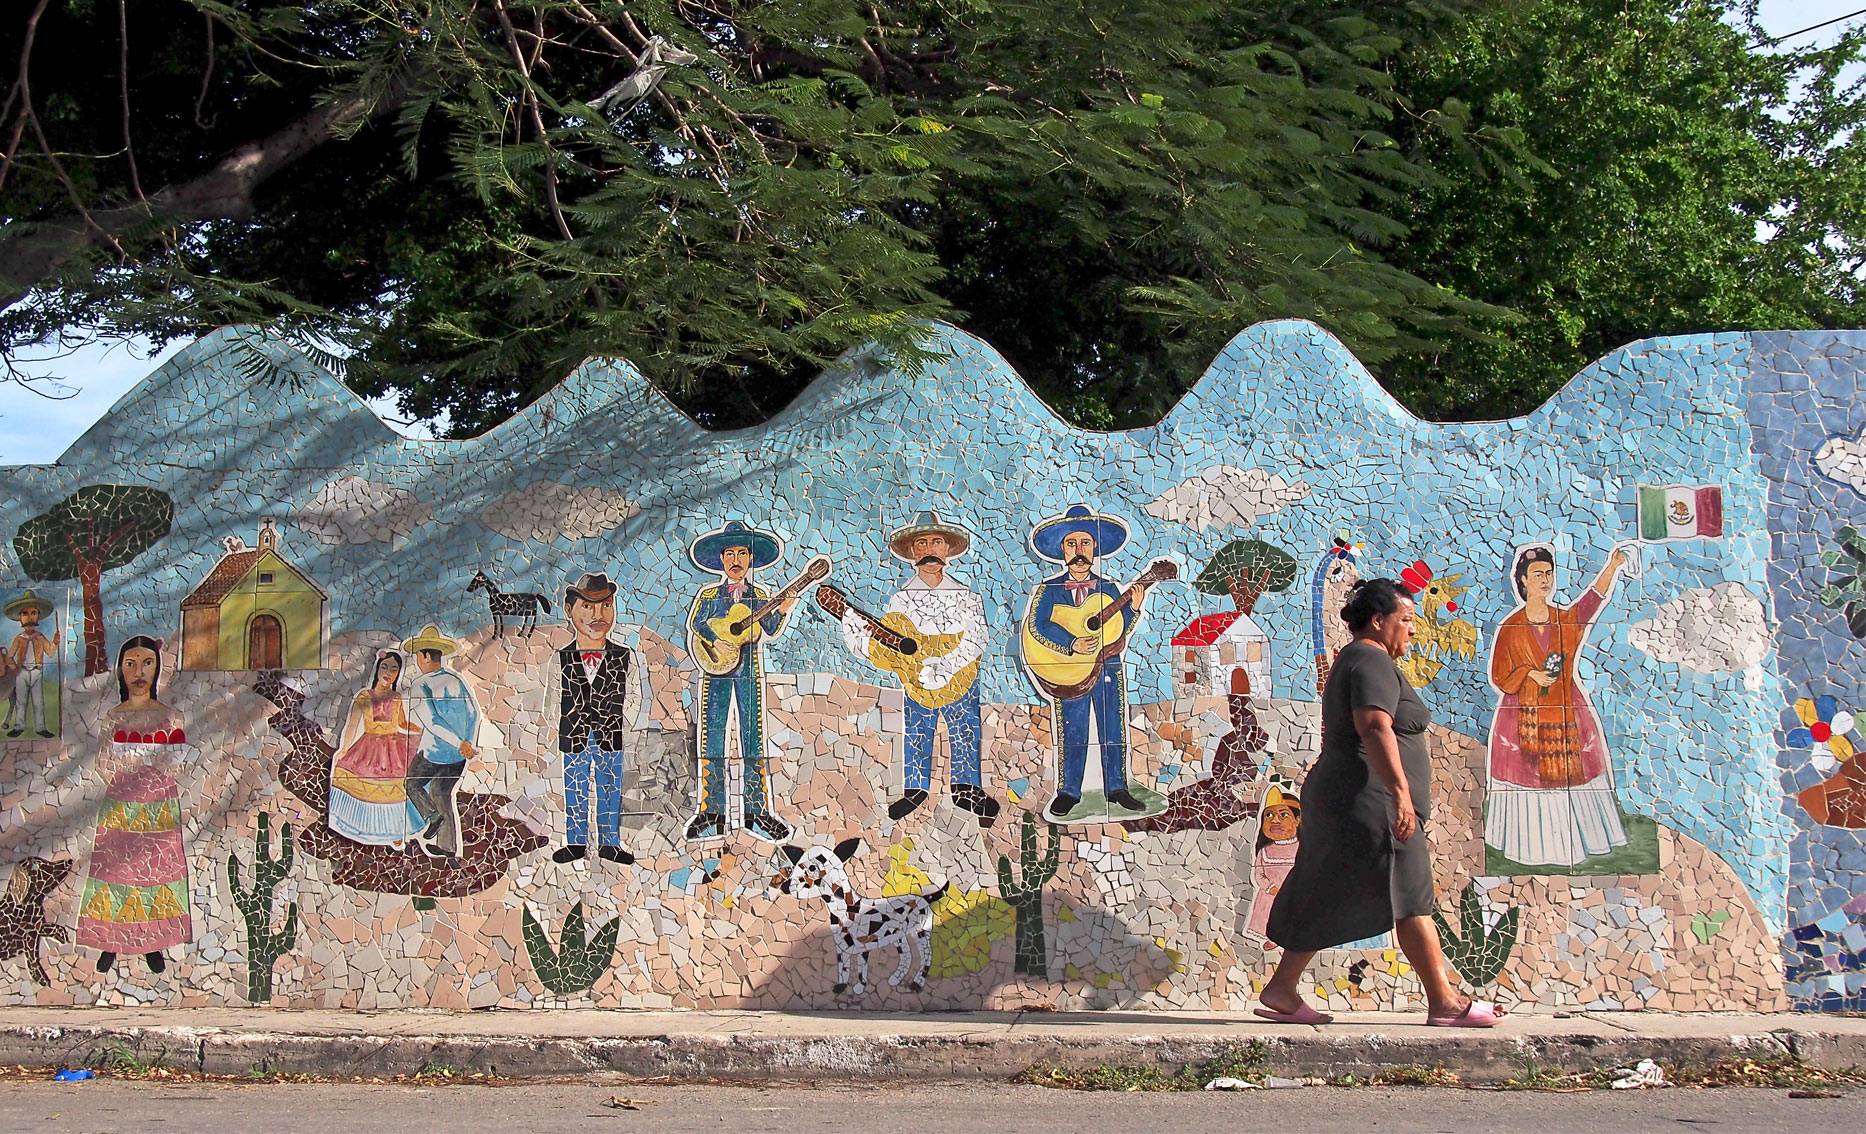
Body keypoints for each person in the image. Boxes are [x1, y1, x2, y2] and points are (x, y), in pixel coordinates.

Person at [1258, 579, 1504, 1027]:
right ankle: (1445, 1001)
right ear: (1377, 620)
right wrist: (1400, 793)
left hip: (1349, 796)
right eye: (1405, 620)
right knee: (1411, 893)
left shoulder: (1357, 660)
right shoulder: (1370, 660)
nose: (1412, 630)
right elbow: (1374, 726)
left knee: (1326, 886)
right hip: (1370, 799)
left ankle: (1282, 988)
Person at [839, 511, 998, 826]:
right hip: (917, 682)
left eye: (936, 542)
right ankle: (915, 787)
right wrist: (853, 627)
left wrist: (947, 665)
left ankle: (967, 787)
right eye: (922, 543)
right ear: (912, 551)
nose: (929, 549)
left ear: (947, 550)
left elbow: (977, 638)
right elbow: (890, 647)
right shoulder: (901, 600)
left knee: (965, 729)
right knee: (916, 730)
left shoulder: (966, 597)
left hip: (960, 678)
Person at [1486, 545, 1631, 867]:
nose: (1545, 580)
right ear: (1522, 580)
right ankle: (1532, 848)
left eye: (1549, 573)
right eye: (1537, 574)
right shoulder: (1511, 628)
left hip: (1565, 710)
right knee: (1529, 779)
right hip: (1524, 717)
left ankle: (1574, 844)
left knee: (1572, 779)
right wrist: (1529, 674)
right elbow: (1499, 676)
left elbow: (1591, 603)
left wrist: (1614, 564)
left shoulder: (1564, 622)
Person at [1020, 504, 1156, 822]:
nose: (1079, 551)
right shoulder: (1049, 590)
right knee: (1073, 727)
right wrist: (1071, 643)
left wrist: (1133, 609)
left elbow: (1117, 629)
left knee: (1112, 725)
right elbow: (1037, 626)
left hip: (1107, 666)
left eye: (1085, 543)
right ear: (1061, 549)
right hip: (1069, 669)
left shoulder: (1109, 588)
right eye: (1071, 543)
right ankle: (1069, 791)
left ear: (1094, 547)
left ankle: (1117, 788)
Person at [76, 636, 191, 976]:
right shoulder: (114, 717)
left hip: (158, 804)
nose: (139, 672)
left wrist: (155, 763)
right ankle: (111, 940)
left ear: (157, 668)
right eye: (130, 664)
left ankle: (154, 941)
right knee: (114, 873)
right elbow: (102, 762)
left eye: (146, 663)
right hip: (121, 804)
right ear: (120, 670)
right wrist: (126, 764)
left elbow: (178, 762)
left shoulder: (170, 716)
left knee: (156, 872)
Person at [684, 520, 799, 843]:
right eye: (730, 553)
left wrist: (784, 609)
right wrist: (719, 639)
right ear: (721, 559)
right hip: (715, 669)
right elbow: (697, 624)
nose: (736, 560)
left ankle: (757, 812)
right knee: (713, 735)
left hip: (748, 670)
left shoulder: (760, 595)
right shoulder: (710, 594)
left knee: (753, 735)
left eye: (743, 553)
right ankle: (711, 812)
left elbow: (772, 628)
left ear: (750, 560)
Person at [551, 571, 646, 865]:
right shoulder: (561, 657)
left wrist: (624, 724)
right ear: (570, 611)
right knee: (574, 785)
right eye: (588, 606)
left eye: (606, 605)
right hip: (574, 732)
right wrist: (555, 727)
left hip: (611, 733)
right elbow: (552, 698)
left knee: (610, 785)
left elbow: (636, 696)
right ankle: (576, 842)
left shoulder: (624, 656)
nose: (598, 614)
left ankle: (610, 842)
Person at [400, 625, 482, 864]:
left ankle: (431, 816)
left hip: (435, 753)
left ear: (425, 656)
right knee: (441, 794)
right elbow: (473, 713)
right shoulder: (456, 679)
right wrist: (466, 744)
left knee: (412, 784)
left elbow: (432, 721)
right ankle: (448, 849)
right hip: (457, 756)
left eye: (418, 656)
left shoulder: (421, 684)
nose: (418, 661)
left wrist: (460, 743)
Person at [327, 650, 426, 846]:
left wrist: (422, 731)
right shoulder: (364, 696)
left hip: (393, 746)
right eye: (385, 667)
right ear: (377, 669)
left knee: (399, 786)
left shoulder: (396, 696)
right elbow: (352, 725)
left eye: (394, 668)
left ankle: (397, 830)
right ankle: (366, 829)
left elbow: (402, 723)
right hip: (369, 745)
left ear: (398, 674)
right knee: (362, 783)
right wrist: (344, 749)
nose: (388, 672)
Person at [4, 590, 60, 737]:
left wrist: (55, 642)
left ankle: (41, 728)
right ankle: (19, 726)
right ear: (20, 618)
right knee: (20, 701)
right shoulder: (19, 639)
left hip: (36, 671)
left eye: (33, 612)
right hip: (21, 672)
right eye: (25, 614)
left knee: (38, 701)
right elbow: (9, 657)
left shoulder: (40, 637)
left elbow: (50, 652)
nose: (29, 617)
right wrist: (14, 668)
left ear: (38, 615)